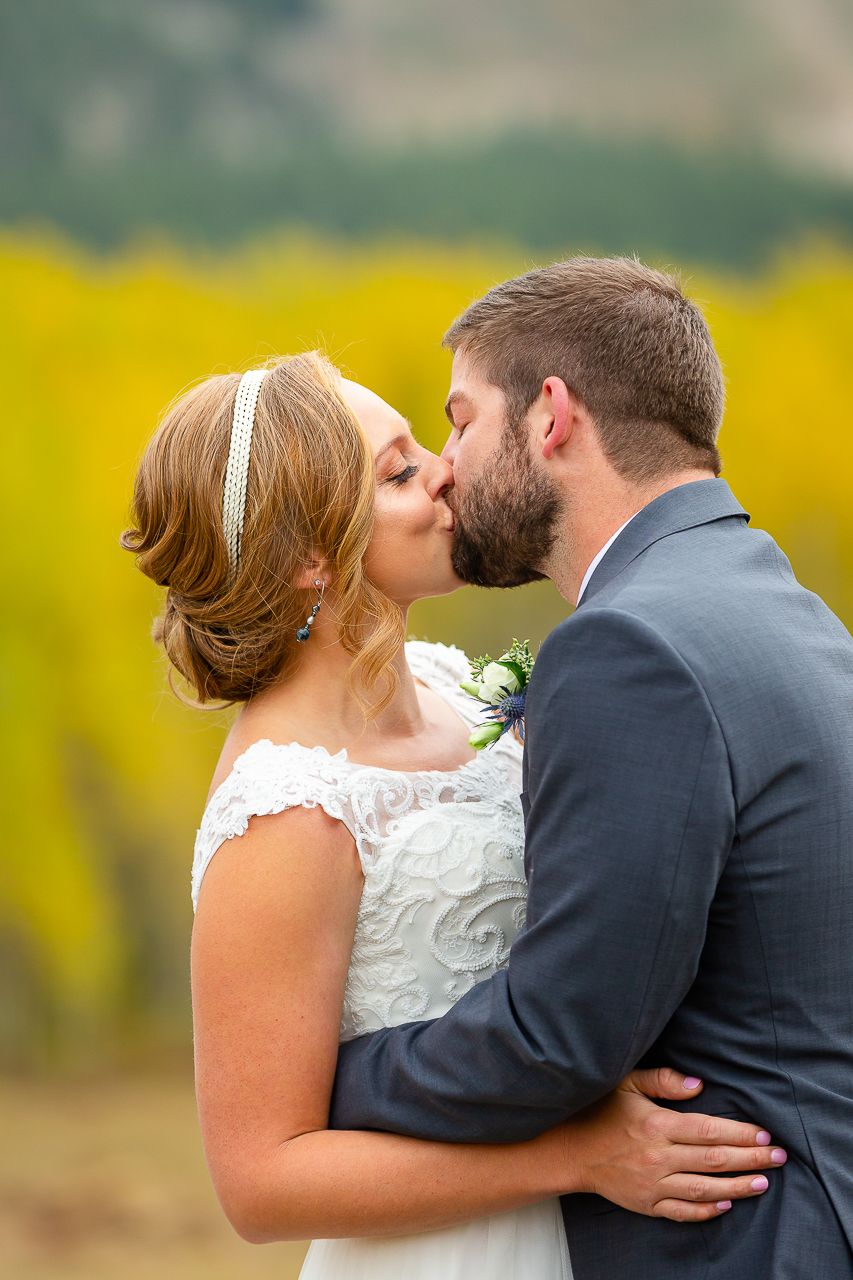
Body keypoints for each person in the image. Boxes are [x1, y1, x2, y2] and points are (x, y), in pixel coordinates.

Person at [121, 349, 782, 1280]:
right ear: (310, 555)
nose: (445, 470)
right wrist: (576, 1159)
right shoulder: (286, 812)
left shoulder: (458, 692)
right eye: (398, 472)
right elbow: (260, 1183)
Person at [329, 257, 853, 1279]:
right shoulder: (782, 606)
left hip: (737, 1242)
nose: (444, 466)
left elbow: (560, 1034)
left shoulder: (630, 647)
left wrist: (327, 1078)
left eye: (461, 419)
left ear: (550, 416)